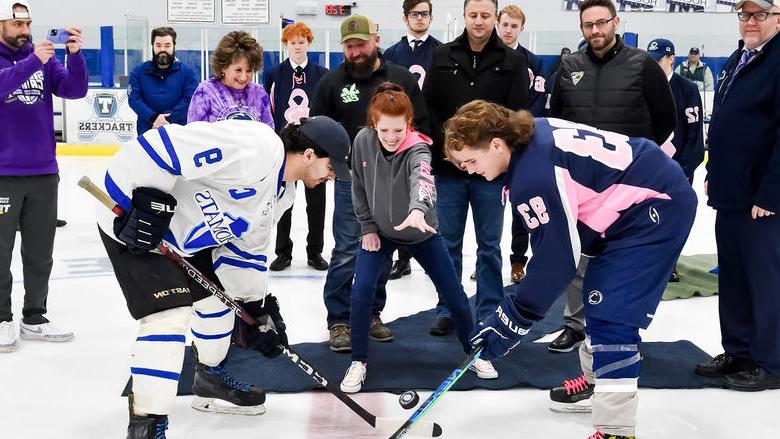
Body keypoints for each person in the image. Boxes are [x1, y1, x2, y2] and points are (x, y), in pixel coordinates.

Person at [446, 100, 696, 439]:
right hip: (632, 204)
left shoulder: (532, 175)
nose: (470, 170)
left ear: (495, 144)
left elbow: (557, 260)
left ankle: (616, 430)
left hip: (656, 205)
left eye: (471, 161)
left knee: (613, 314)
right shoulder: (530, 133)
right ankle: (598, 383)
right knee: (597, 298)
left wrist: (513, 319)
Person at [96, 116, 350, 438]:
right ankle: (147, 425)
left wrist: (255, 309)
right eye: (332, 167)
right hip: (133, 227)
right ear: (310, 154)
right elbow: (162, 146)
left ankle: (210, 378)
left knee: (220, 306)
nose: (331, 176)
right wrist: (136, 201)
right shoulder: (256, 147)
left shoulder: (282, 194)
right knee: (169, 318)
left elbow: (247, 253)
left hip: (184, 240)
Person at [340, 83, 496, 392]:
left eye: (398, 129)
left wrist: (418, 209)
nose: (391, 136)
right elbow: (357, 186)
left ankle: (474, 351)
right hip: (380, 234)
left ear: (408, 124)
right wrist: (368, 228)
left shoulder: (418, 148)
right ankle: (358, 361)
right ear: (374, 124)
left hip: (421, 231)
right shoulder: (362, 142)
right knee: (361, 293)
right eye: (385, 129)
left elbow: (423, 180)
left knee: (453, 293)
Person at [547, 0, 676, 354]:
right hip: (582, 182)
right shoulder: (569, 66)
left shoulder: (642, 65)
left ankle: (617, 328)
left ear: (615, 22)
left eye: (602, 23)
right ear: (581, 28)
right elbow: (555, 121)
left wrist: (640, 158)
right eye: (588, 25)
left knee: (622, 256)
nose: (595, 31)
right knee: (579, 254)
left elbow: (666, 117)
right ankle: (574, 325)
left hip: (629, 184)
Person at [310, 14, 429, 352]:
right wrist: (325, 161)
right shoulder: (331, 83)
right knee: (348, 249)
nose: (356, 51)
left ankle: (372, 314)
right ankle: (339, 321)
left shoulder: (401, 78)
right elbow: (315, 129)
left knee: (381, 249)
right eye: (349, 46)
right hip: (350, 182)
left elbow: (421, 128)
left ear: (375, 40)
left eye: (361, 43)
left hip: (393, 183)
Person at [422, 0, 528, 354]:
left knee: (489, 247)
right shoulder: (442, 56)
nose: (479, 21)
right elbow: (429, 108)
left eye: (485, 15)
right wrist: (452, 147)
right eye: (473, 15)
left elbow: (515, 115)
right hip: (449, 171)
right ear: (464, 16)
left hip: (491, 175)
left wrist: (489, 155)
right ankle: (448, 309)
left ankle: (489, 310)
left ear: (494, 18)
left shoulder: (512, 61)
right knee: (447, 244)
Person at [696, 0, 780, 392]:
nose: (750, 21)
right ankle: (739, 350)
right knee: (732, 277)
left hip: (762, 199)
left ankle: (770, 361)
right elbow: (726, 121)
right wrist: (714, 171)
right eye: (744, 14)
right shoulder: (740, 57)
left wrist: (771, 192)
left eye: (759, 15)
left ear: (778, 19)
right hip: (731, 192)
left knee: (765, 281)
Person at [0, 0, 86, 352]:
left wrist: (74, 56)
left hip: (43, 171)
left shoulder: (43, 59)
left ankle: (34, 317)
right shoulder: (33, 58)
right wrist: (35, 60)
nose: (25, 30)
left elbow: (75, 90)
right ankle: (2, 319)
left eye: (28, 24)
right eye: (17, 25)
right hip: (3, 173)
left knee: (40, 253)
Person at [383, 0, 443, 280]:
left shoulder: (441, 52)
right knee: (398, 195)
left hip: (427, 130)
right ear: (406, 18)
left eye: (425, 14)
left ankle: (430, 252)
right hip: (396, 133)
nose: (420, 19)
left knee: (425, 192)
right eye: (415, 14)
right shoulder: (393, 53)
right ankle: (402, 257)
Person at [263, 22, 330, 272]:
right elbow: (268, 111)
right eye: (293, 42)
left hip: (315, 147)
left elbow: (325, 109)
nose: (298, 47)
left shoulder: (321, 73)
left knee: (317, 202)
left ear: (308, 43)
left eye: (302, 42)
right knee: (283, 202)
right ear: (286, 45)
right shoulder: (273, 74)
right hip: (285, 148)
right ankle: (283, 252)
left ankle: (315, 252)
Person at [647, 38, 705, 282]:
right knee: (645, 218)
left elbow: (694, 136)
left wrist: (684, 170)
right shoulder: (642, 86)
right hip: (647, 169)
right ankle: (646, 263)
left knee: (672, 219)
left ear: (671, 59)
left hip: (679, 169)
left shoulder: (687, 89)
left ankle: (668, 264)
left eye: (659, 60)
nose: (654, 65)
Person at [497, 4, 546, 284]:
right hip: (490, 144)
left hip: (519, 144)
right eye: (504, 24)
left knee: (521, 207)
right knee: (490, 209)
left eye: (514, 26)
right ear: (498, 24)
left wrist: (521, 136)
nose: (508, 30)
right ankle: (487, 262)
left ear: (521, 29)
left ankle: (518, 262)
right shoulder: (486, 56)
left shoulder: (534, 62)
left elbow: (537, 105)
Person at [187, 31, 273, 126]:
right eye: (238, 70)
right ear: (223, 67)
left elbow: (268, 133)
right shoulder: (206, 91)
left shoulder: (259, 93)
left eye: (249, 71)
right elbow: (194, 133)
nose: (244, 77)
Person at [128, 26, 198, 136]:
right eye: (158, 45)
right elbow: (134, 100)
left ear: (174, 46)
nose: (162, 50)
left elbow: (189, 100)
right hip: (147, 132)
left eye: (167, 45)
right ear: (152, 46)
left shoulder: (188, 73)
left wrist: (165, 121)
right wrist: (154, 118)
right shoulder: (138, 72)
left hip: (178, 133)